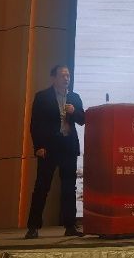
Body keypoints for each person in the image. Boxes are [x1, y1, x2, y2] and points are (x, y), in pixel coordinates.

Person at [24, 65, 85, 239]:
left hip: (68, 147)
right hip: (49, 148)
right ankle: (33, 227)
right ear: (54, 78)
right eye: (63, 75)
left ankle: (70, 226)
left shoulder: (74, 97)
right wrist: (38, 146)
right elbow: (35, 124)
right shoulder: (42, 97)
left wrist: (74, 112)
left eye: (68, 76)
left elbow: (83, 119)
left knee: (69, 188)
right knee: (42, 187)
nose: (66, 79)